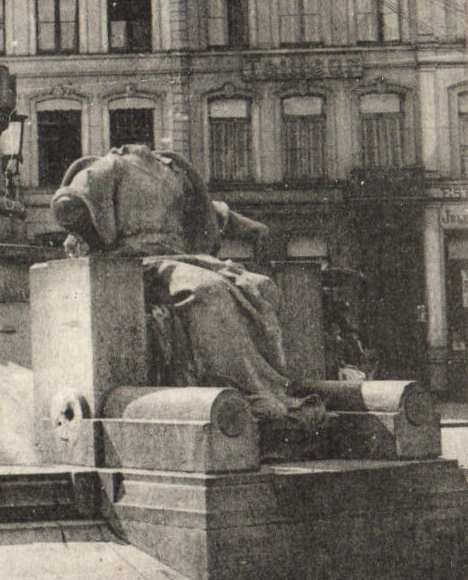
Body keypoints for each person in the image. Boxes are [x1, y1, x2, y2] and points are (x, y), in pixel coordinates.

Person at [51, 145, 323, 450]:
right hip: (141, 264)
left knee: (260, 287)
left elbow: (214, 212)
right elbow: (69, 201)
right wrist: (76, 212)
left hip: (185, 259)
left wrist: (252, 228)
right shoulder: (112, 166)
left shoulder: (175, 171)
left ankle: (275, 389)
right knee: (207, 290)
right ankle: (246, 391)